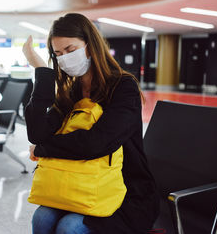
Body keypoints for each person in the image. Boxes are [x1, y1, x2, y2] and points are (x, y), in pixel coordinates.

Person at [23, 13, 159, 234]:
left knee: (70, 227)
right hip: (77, 184)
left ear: (91, 45)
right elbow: (37, 133)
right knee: (42, 218)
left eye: (70, 50)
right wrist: (43, 72)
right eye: (58, 54)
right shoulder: (72, 92)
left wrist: (43, 149)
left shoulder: (124, 87)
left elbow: (95, 144)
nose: (64, 58)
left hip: (125, 190)